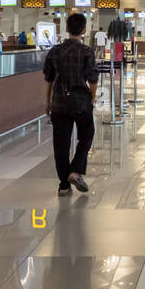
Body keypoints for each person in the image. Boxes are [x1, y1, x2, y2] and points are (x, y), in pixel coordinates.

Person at [43, 11, 99, 195]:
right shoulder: (86, 51)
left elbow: (49, 79)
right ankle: (75, 171)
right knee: (87, 134)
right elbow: (92, 79)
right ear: (84, 29)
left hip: (59, 102)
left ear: (66, 28)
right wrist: (91, 98)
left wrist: (48, 102)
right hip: (81, 102)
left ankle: (64, 186)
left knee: (61, 144)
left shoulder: (55, 51)